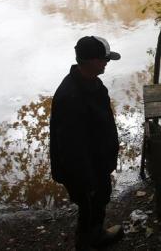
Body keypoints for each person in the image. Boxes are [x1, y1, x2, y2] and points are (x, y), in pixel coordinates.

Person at [49, 36, 124, 250]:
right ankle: (89, 241)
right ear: (90, 61)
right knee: (90, 205)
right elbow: (71, 149)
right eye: (103, 59)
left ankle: (95, 234)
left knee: (98, 202)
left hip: (97, 164)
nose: (106, 63)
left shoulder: (91, 82)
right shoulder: (70, 96)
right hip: (84, 172)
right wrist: (87, 181)